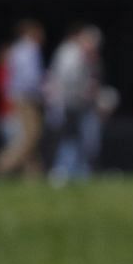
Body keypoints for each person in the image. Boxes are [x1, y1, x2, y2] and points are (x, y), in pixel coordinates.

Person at [46, 25, 103, 184]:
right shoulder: (70, 53)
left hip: (82, 105)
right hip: (70, 104)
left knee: (86, 139)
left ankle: (81, 171)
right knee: (70, 138)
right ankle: (63, 170)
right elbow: (66, 80)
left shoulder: (90, 57)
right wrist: (83, 91)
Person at [0, 20, 46, 178]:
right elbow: (30, 78)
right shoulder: (29, 50)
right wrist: (43, 91)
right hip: (27, 98)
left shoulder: (17, 50)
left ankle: (33, 174)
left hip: (21, 97)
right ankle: (2, 164)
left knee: (30, 137)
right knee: (30, 136)